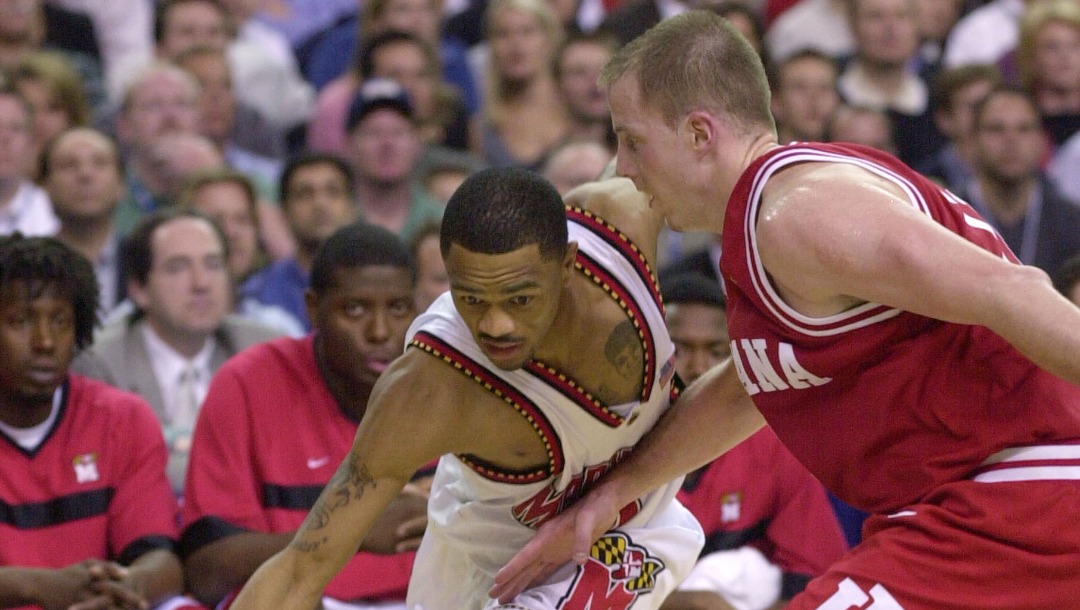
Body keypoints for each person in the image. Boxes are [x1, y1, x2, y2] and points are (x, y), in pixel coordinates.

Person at [492, 11, 1080, 609]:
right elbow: (748, 388)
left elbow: (1013, 289)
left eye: (633, 139)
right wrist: (611, 497)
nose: (623, 167)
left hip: (1020, 494)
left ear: (699, 134)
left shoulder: (798, 211)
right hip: (974, 507)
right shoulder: (773, 216)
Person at [229, 167, 705, 609]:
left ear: (567, 265)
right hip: (482, 569)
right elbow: (302, 566)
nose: (496, 324)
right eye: (471, 298)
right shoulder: (426, 390)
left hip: (636, 533)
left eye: (520, 298)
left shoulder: (624, 221)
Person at [180, 221, 429, 609]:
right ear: (313, 309)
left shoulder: (446, 384)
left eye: (397, 309)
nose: (380, 331)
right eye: (356, 309)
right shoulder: (247, 383)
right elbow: (207, 572)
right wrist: (350, 529)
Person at [0, 234, 202, 610]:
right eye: (21, 321)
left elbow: (161, 559)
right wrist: (37, 587)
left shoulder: (121, 419)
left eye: (60, 321)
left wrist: (127, 589)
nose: (45, 341)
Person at [658, 272, 847, 610]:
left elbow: (818, 583)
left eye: (716, 351)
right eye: (680, 349)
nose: (698, 367)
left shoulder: (774, 446)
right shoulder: (608, 449)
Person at [71, 209, 283, 494]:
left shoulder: (265, 352)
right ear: (138, 289)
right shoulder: (99, 363)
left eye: (213, 264)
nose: (201, 283)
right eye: (178, 267)